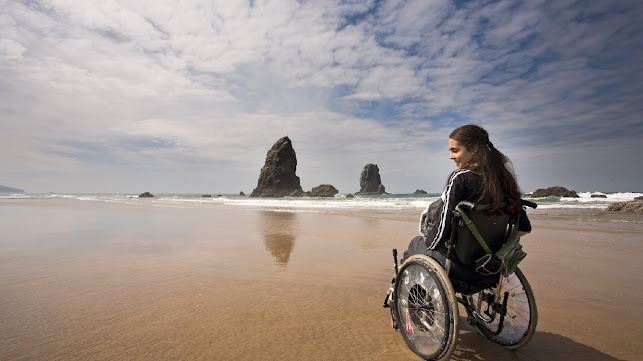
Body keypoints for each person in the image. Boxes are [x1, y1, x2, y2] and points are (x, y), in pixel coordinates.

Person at [403, 124, 531, 291]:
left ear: (474, 149)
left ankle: (410, 296)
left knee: (417, 243)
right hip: (490, 267)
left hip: (460, 269)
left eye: (455, 150)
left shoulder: (460, 178)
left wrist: (428, 244)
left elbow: (441, 232)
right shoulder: (504, 180)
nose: (451, 156)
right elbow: (523, 229)